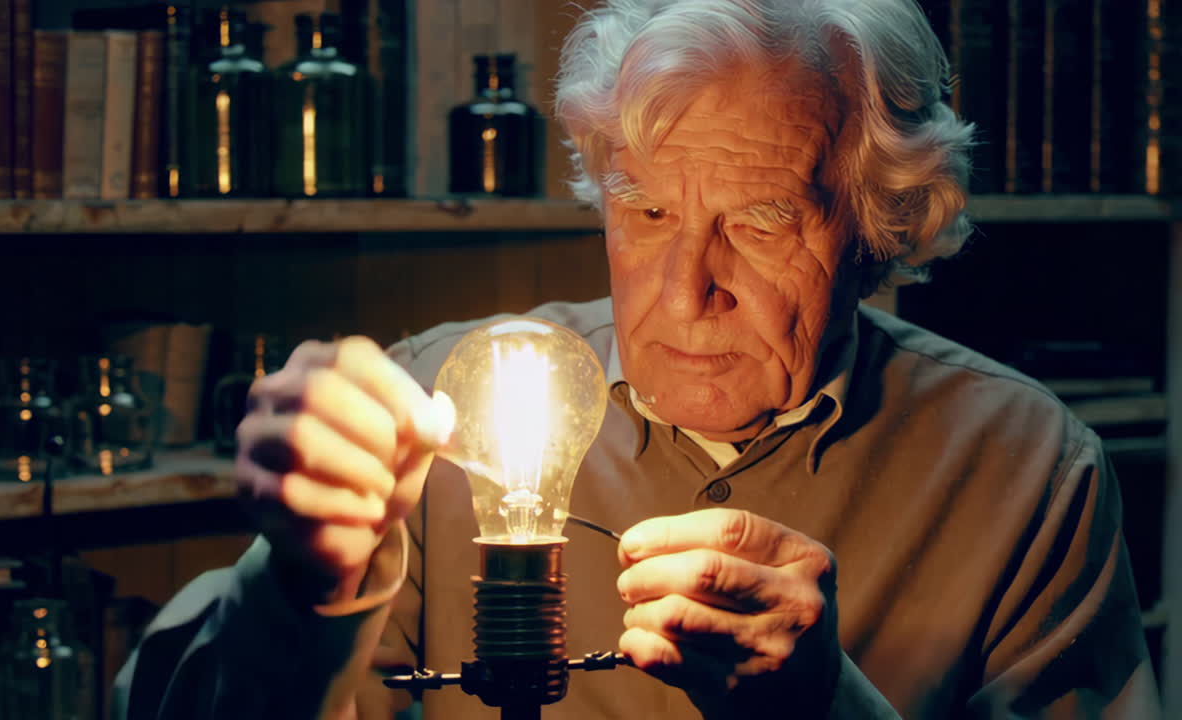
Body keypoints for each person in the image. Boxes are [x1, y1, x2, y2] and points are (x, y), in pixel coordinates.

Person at [111, 0, 1162, 718]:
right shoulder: (427, 410)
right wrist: (299, 588)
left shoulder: (1025, 470)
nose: (683, 289)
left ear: (875, 233)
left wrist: (824, 706)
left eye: (757, 221)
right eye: (648, 211)